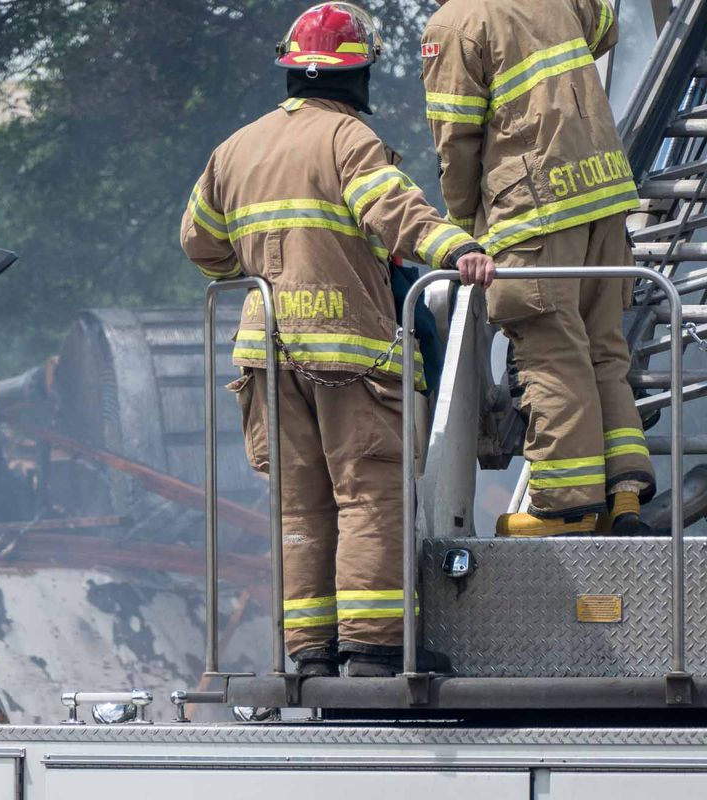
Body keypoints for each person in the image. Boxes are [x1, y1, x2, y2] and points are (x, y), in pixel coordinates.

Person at [180, 2, 494, 678]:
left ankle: (311, 653)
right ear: (359, 76)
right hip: (349, 353)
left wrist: (266, 265)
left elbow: (199, 242)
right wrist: (458, 249)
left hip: (267, 356)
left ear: (291, 71)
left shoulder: (236, 148)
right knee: (370, 495)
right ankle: (375, 649)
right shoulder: (348, 139)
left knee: (301, 503)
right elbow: (397, 211)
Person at [421, 0, 655, 537]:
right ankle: (623, 496)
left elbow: (455, 141)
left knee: (551, 354)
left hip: (535, 209)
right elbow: (606, 26)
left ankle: (565, 507)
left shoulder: (455, 23)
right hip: (603, 195)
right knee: (603, 349)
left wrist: (461, 231)